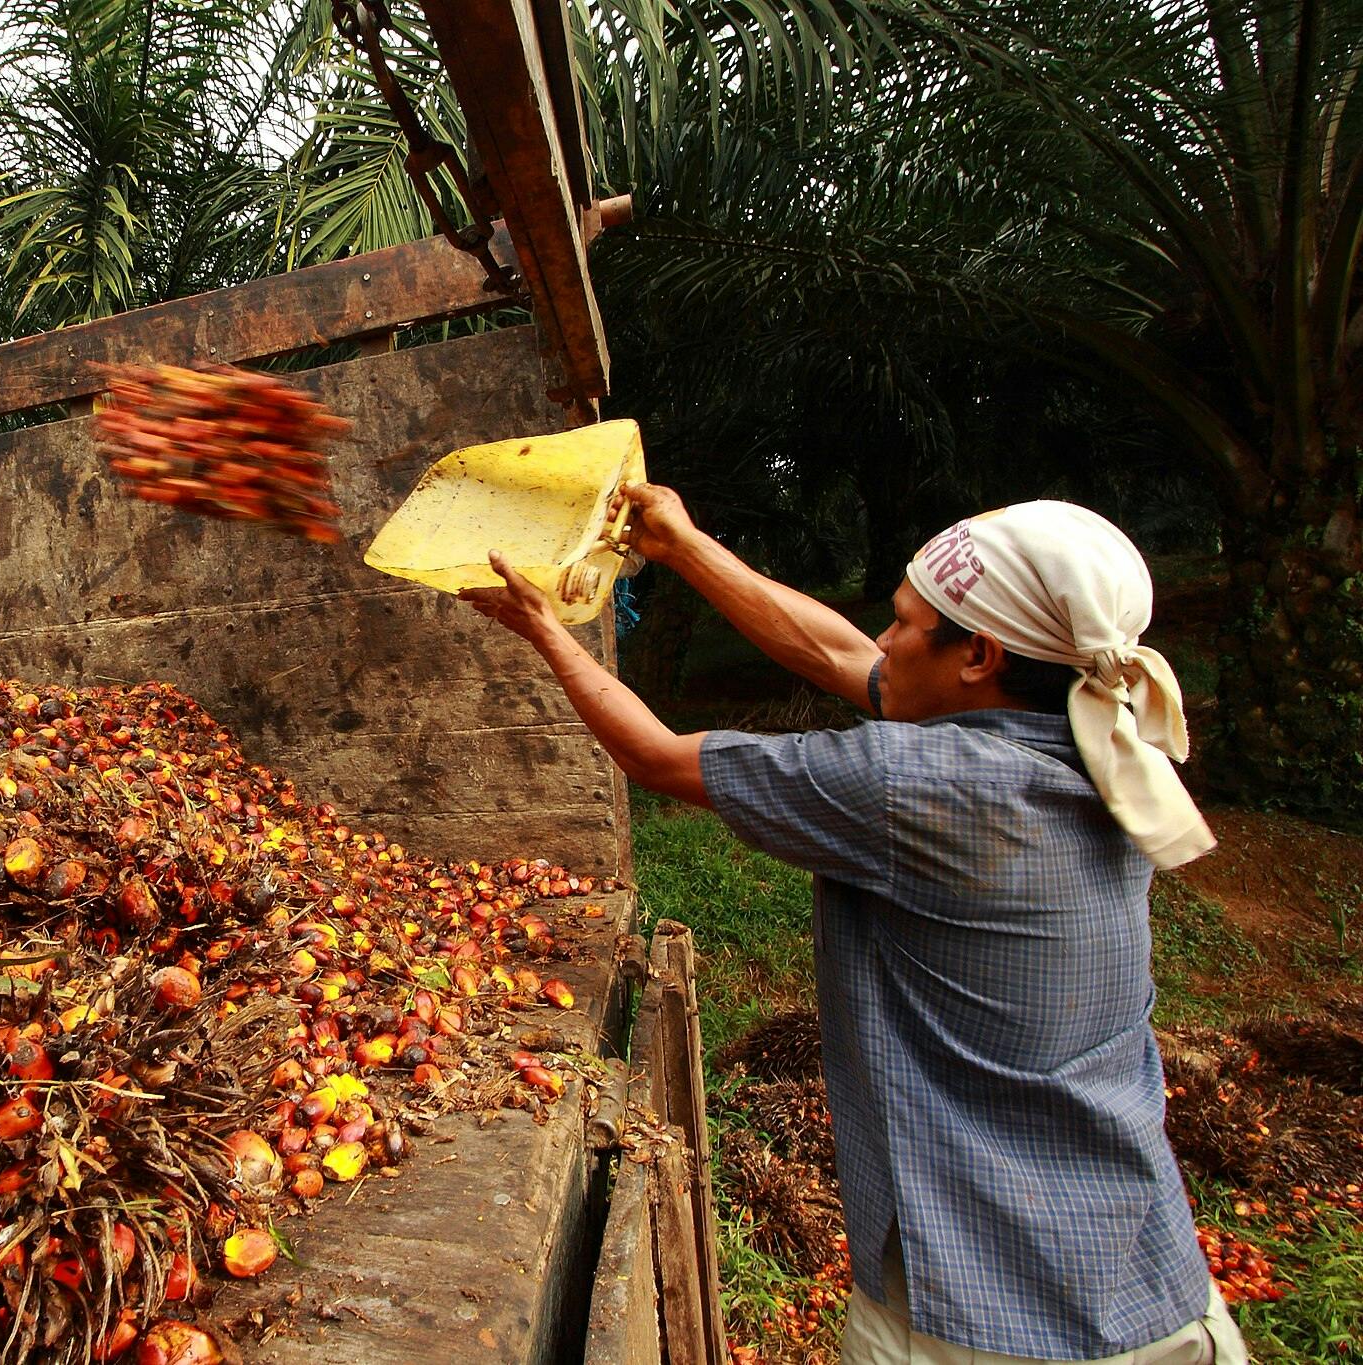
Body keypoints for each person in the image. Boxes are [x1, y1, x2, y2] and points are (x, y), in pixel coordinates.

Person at [460, 483, 1246, 1365]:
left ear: (980, 655)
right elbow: (835, 651)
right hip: (1156, 1286)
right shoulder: (1100, 734)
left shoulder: (919, 786)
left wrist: (544, 631)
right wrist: (682, 546)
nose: (882, 638)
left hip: (989, 1312)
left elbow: (653, 754)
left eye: (907, 626)